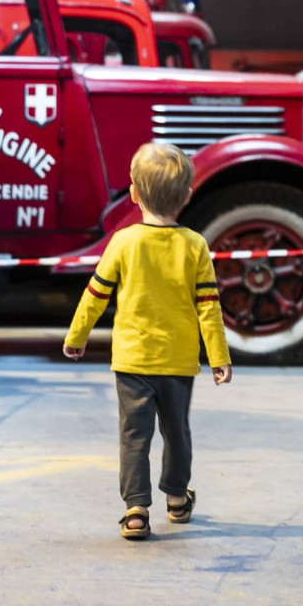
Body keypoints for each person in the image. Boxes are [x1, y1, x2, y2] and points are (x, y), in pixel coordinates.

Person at [63, 141, 233, 540]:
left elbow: (96, 294)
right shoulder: (195, 246)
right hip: (177, 363)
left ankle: (136, 511)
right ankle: (176, 498)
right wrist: (219, 357)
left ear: (134, 194)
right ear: (187, 197)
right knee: (177, 431)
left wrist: (77, 336)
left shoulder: (123, 242)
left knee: (134, 435)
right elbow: (209, 307)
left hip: (132, 362)